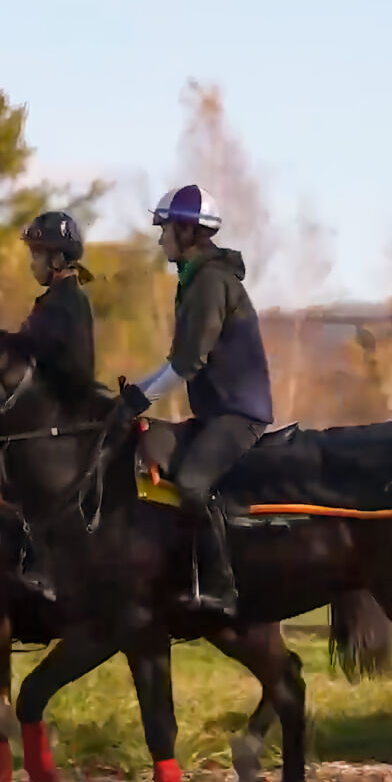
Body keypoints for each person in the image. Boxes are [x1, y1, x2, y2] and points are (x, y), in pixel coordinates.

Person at [118, 184, 274, 616]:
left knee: (190, 483)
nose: (160, 238)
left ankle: (221, 587)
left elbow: (186, 364)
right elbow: (178, 361)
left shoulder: (209, 283)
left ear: (188, 232)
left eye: (165, 228)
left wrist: (136, 400)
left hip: (239, 416)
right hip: (214, 414)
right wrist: (135, 397)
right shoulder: (196, 280)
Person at [12, 210, 95, 598]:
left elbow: (55, 361)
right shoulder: (54, 301)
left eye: (37, 254)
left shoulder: (66, 303)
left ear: (58, 259)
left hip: (66, 413)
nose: (33, 263)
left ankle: (42, 560)